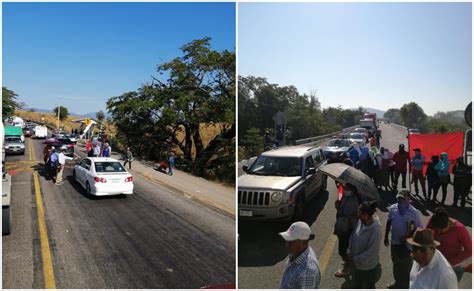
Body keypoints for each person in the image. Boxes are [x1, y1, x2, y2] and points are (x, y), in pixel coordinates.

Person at [384, 189, 423, 289]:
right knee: (396, 263)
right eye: (398, 198)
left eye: (402, 198)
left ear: (408, 199)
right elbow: (389, 221)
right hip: (394, 242)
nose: (399, 200)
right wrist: (385, 237)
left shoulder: (414, 212)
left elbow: (419, 229)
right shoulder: (393, 208)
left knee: (406, 266)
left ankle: (406, 285)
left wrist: (407, 237)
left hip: (407, 245)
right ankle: (397, 282)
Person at [426, 207, 472, 281]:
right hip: (434, 260)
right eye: (437, 230)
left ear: (448, 224)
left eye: (442, 230)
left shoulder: (460, 229)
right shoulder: (434, 219)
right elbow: (426, 231)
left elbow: (469, 250)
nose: (439, 232)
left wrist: (451, 262)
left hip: (451, 265)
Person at [347, 200, 382, 289]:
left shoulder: (376, 230)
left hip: (368, 268)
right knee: (356, 286)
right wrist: (349, 251)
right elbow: (353, 235)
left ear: (366, 215)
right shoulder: (361, 222)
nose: (358, 214)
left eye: (360, 213)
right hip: (357, 266)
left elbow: (371, 252)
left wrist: (354, 260)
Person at [278, 221, 321, 289]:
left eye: (291, 242)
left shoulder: (308, 272)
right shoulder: (296, 253)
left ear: (304, 242)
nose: (286, 245)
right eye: (287, 240)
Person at [334, 183, 361, 278]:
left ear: (353, 190)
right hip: (343, 226)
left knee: (343, 250)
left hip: (348, 228)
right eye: (345, 188)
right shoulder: (346, 197)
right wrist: (338, 205)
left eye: (347, 188)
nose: (345, 190)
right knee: (344, 248)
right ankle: (347, 261)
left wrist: (339, 208)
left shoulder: (354, 201)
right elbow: (341, 210)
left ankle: (347, 266)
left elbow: (346, 214)